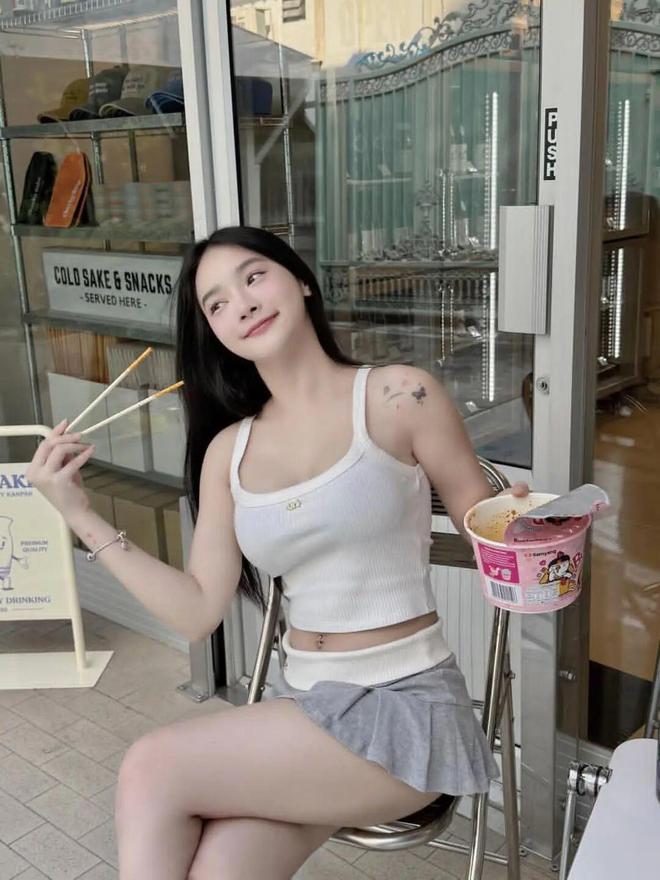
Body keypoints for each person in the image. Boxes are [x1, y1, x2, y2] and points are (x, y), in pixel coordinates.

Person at [26, 226, 528, 880]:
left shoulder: (398, 395)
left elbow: (483, 522)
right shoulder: (227, 451)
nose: (241, 303)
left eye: (254, 276)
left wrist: (520, 525)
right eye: (216, 303)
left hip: (404, 707)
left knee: (152, 767)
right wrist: (79, 513)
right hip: (302, 710)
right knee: (220, 869)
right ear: (214, 331)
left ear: (301, 281)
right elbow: (197, 612)